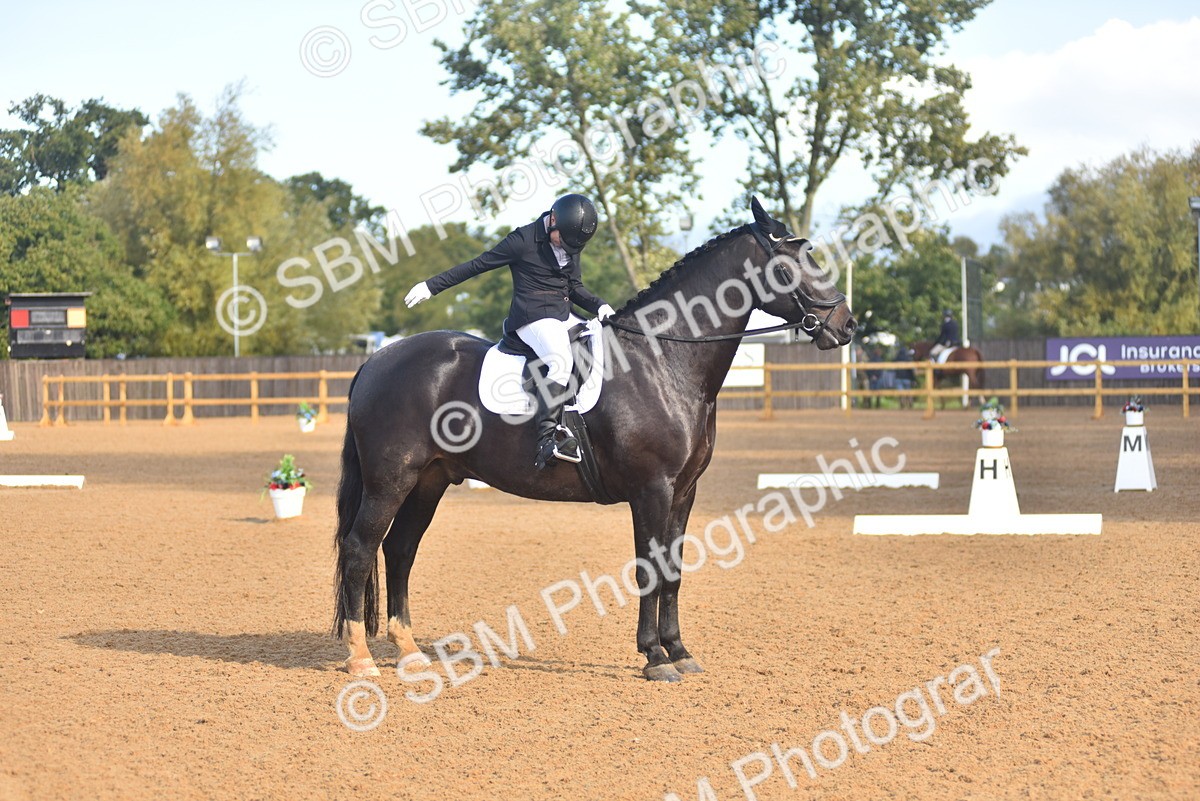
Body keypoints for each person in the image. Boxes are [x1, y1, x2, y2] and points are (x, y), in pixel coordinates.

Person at [404, 194, 615, 470]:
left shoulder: (570, 237)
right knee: (560, 361)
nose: (567, 248)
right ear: (553, 220)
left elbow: (573, 287)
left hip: (561, 314)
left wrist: (600, 306)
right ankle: (547, 440)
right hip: (532, 317)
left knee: (597, 341)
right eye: (563, 241)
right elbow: (477, 265)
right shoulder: (522, 241)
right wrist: (431, 286)